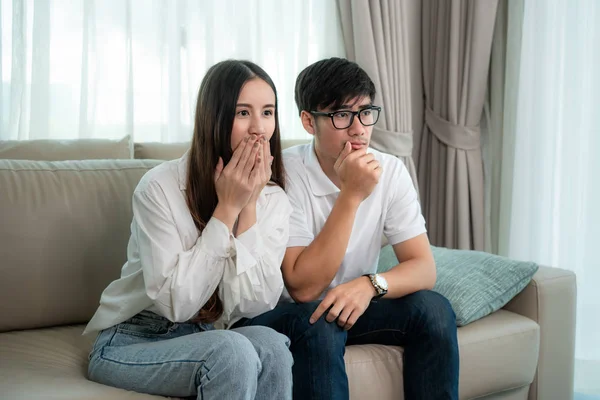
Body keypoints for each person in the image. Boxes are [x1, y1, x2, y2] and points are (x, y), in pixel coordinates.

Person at [234, 57, 459, 400]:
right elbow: (302, 287)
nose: (359, 129)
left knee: (434, 309)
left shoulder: (391, 171)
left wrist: (371, 284)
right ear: (309, 121)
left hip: (351, 307)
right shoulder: (283, 173)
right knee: (321, 322)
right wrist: (351, 196)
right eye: (342, 115)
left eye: (366, 113)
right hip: (287, 314)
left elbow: (423, 267)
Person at [83, 60, 294, 400]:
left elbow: (256, 304)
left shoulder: (273, 200)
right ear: (215, 117)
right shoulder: (159, 188)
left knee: (272, 346)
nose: (259, 128)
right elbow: (177, 305)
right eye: (243, 113)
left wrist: (249, 206)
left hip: (203, 334)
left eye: (267, 112)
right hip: (132, 339)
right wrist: (227, 209)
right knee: (232, 351)